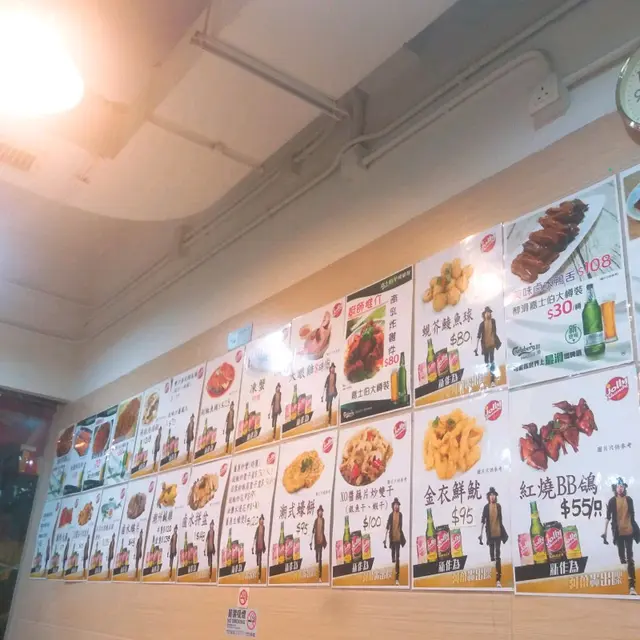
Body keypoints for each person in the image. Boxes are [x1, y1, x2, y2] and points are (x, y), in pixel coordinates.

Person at [603, 477, 640, 595]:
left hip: (629, 531)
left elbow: (632, 516)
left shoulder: (629, 500)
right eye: (618, 486)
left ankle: (632, 586)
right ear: (616, 488)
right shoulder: (612, 501)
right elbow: (608, 518)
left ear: (624, 488)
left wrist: (636, 530)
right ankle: (626, 576)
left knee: (630, 557)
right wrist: (605, 533)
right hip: (618, 533)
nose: (620, 488)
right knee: (622, 557)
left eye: (622, 486)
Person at [480, 487, 509, 588]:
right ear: (488, 497)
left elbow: (500, 520)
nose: (492, 497)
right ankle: (493, 575)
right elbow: (483, 521)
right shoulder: (486, 507)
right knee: (492, 556)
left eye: (494, 495)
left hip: (498, 534)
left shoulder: (498, 506)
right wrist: (481, 534)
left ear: (496, 496)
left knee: (498, 555)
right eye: (490, 495)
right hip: (490, 535)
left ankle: (498, 579)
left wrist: (503, 532)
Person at [474, 306, 501, 386]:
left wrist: (495, 340)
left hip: (492, 344)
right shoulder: (482, 324)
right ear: (484, 314)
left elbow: (494, 331)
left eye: (489, 312)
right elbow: (478, 335)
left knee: (492, 360)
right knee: (486, 361)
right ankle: (488, 375)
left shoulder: (493, 321)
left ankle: (492, 380)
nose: (488, 314)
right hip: (485, 345)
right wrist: (476, 347)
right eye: (487, 312)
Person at [384, 498, 406, 585]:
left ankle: (397, 578)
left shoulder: (400, 515)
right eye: (395, 505)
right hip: (392, 538)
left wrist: (400, 535)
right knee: (393, 557)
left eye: (397, 505)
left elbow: (400, 526)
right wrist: (385, 539)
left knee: (397, 558)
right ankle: (393, 558)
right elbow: (387, 526)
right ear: (393, 506)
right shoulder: (390, 515)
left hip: (398, 539)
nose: (396, 506)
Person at [310, 505, 327, 582]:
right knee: (317, 558)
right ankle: (316, 574)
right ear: (318, 512)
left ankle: (320, 577)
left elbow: (322, 530)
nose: (321, 512)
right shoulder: (316, 520)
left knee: (320, 559)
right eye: (320, 511)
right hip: (316, 542)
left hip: (321, 541)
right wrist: (311, 541)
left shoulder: (323, 520)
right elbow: (313, 531)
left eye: (321, 511)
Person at [252, 514, 266, 583]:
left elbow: (263, 537)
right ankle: (257, 574)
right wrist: (252, 546)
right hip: (257, 546)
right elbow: (255, 537)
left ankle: (259, 578)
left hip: (261, 546)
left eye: (263, 520)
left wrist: (264, 546)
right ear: (259, 521)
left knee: (260, 562)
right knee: (257, 561)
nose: (262, 521)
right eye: (261, 520)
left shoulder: (264, 527)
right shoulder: (258, 528)